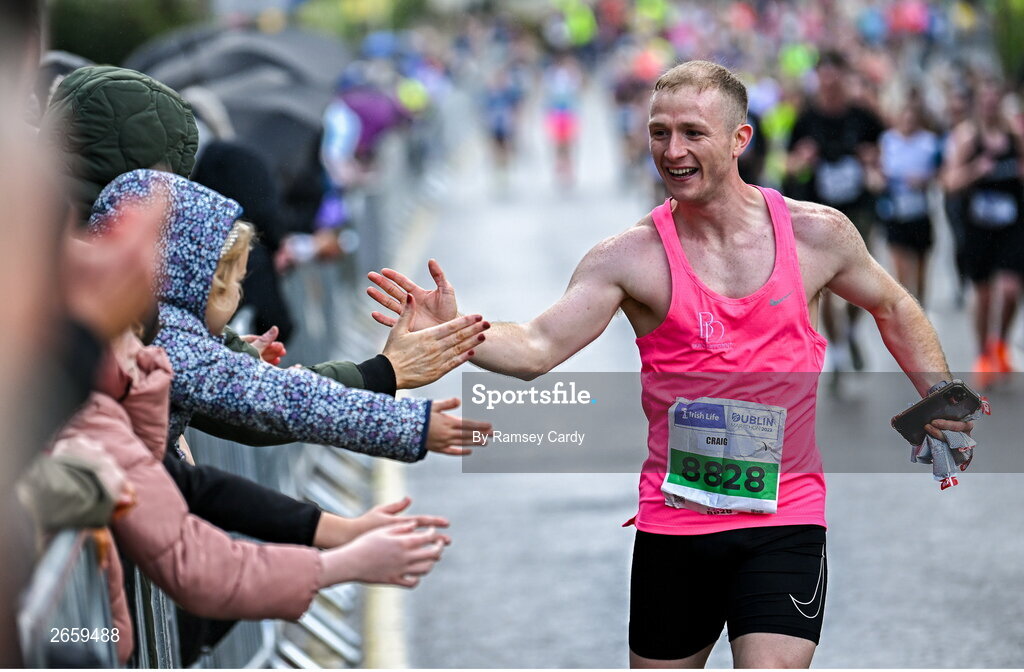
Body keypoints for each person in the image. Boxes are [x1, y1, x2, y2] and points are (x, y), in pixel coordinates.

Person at [368, 61, 972, 668]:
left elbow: (893, 304)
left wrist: (939, 396)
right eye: (659, 133)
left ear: (740, 140)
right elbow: (536, 346)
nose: (672, 150)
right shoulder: (628, 257)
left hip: (784, 514)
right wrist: (454, 330)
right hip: (676, 524)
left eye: (692, 132)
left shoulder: (817, 235)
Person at [785, 50, 885, 372]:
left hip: (859, 208)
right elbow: (788, 165)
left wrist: (874, 161)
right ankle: (839, 350)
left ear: (843, 78)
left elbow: (890, 148)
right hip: (819, 208)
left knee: (862, 277)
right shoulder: (805, 119)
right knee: (825, 281)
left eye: (834, 78)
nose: (828, 85)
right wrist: (801, 160)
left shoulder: (863, 116)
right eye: (823, 79)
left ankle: (853, 328)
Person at [942, 78, 1024, 387]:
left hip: (1012, 226)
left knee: (1012, 290)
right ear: (979, 103)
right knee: (985, 295)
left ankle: (1000, 344)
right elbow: (949, 182)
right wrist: (976, 170)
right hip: (978, 228)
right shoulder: (967, 137)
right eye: (985, 99)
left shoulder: (1014, 136)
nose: (990, 104)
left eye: (995, 99)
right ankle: (982, 354)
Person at [877, 96, 941, 303]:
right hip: (895, 211)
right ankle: (908, 308)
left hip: (920, 211)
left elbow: (941, 171)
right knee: (902, 271)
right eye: (904, 118)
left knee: (921, 268)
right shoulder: (887, 141)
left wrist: (924, 179)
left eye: (912, 119)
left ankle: (920, 305)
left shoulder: (929, 143)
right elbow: (879, 168)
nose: (908, 122)